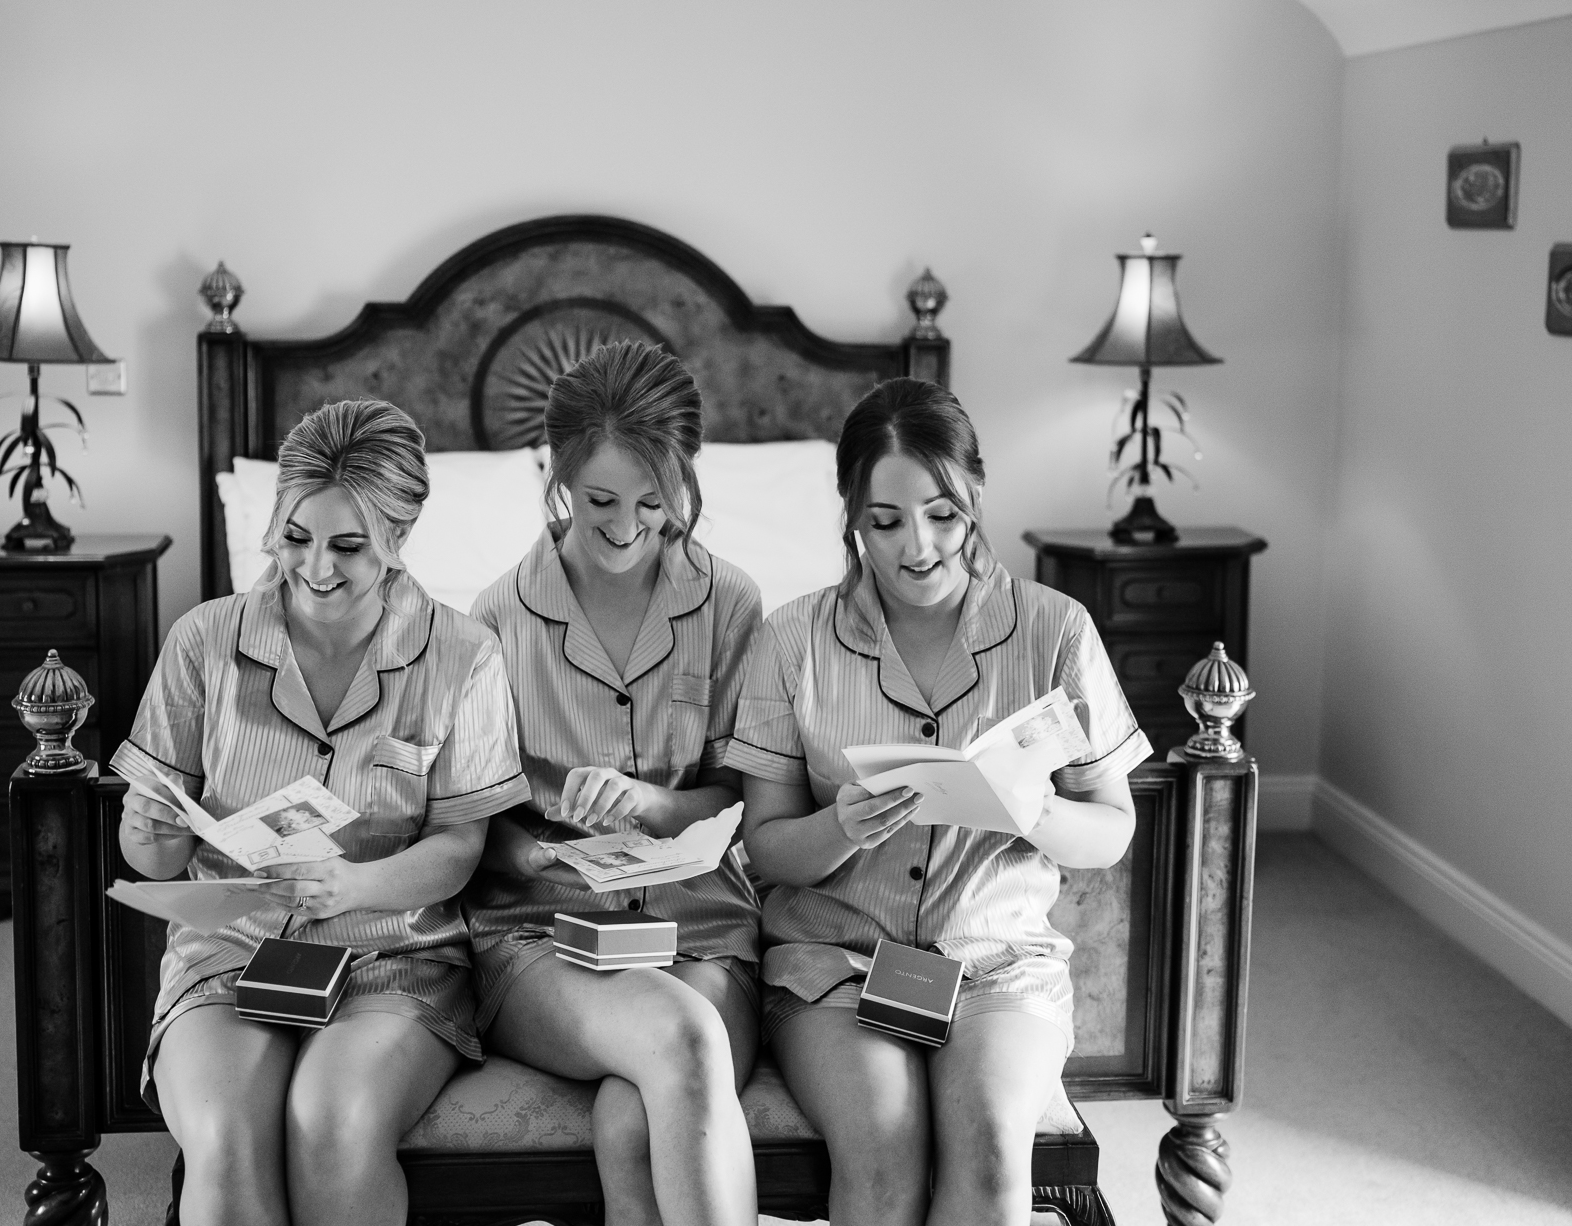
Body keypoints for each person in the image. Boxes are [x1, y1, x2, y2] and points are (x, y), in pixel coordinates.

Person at [726, 376, 1149, 1226]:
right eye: (884, 522)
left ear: (975, 495)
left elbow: (1111, 829)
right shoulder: (790, 641)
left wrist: (1032, 812)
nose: (916, 546)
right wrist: (836, 828)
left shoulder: (1055, 630)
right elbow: (764, 847)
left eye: (942, 515)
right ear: (851, 515)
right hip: (835, 966)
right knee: (881, 1146)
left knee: (995, 1146)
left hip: (1000, 962)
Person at [113, 399, 529, 1226]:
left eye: (349, 546)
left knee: (332, 1122)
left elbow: (457, 848)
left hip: (394, 956)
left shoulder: (463, 655)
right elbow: (152, 856)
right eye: (296, 538)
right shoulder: (202, 641)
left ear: (399, 537)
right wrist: (149, 836)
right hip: (230, 947)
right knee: (226, 1134)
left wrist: (354, 883)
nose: (316, 569)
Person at [464, 341, 764, 1226]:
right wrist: (555, 860)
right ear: (555, 478)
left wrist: (654, 808)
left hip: (699, 928)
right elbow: (479, 830)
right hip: (539, 936)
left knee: (633, 1112)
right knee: (677, 1042)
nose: (629, 527)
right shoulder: (496, 619)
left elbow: (742, 800)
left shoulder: (731, 603)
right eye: (600, 501)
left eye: (654, 503)